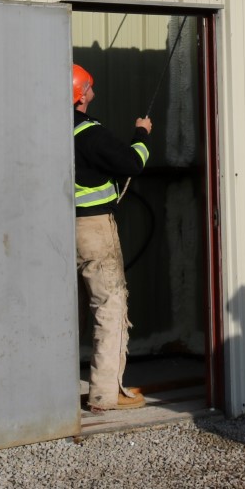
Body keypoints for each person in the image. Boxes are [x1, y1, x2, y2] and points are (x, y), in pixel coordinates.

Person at [71, 63, 152, 413]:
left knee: (66, 311)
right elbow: (133, 163)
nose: (93, 89)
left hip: (57, 231)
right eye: (89, 85)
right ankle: (105, 393)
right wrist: (142, 134)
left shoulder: (43, 127)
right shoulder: (89, 134)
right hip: (93, 231)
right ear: (82, 95)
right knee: (110, 306)